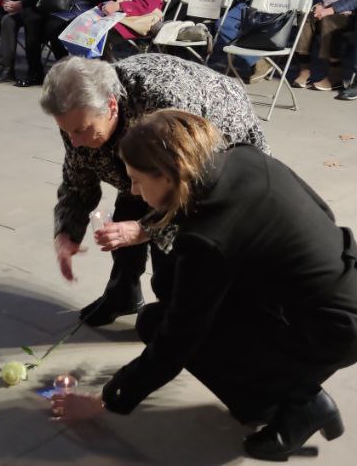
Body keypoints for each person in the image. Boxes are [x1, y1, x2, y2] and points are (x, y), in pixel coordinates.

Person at [50, 109, 357, 463]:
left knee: (158, 324)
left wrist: (106, 401)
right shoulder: (241, 157)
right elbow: (322, 210)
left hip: (331, 329)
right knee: (176, 297)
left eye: (138, 181)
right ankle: (278, 390)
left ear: (170, 174)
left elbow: (177, 341)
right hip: (354, 283)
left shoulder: (208, 237)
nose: (133, 191)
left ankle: (298, 403)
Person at [39, 54, 269, 327]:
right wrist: (66, 231)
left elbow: (192, 190)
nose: (74, 142)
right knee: (127, 211)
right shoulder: (79, 117)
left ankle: (179, 315)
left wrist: (146, 230)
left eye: (81, 130)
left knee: (170, 252)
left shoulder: (164, 103)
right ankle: (123, 294)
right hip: (152, 148)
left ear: (111, 106)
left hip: (217, 152)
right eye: (67, 132)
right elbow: (77, 183)